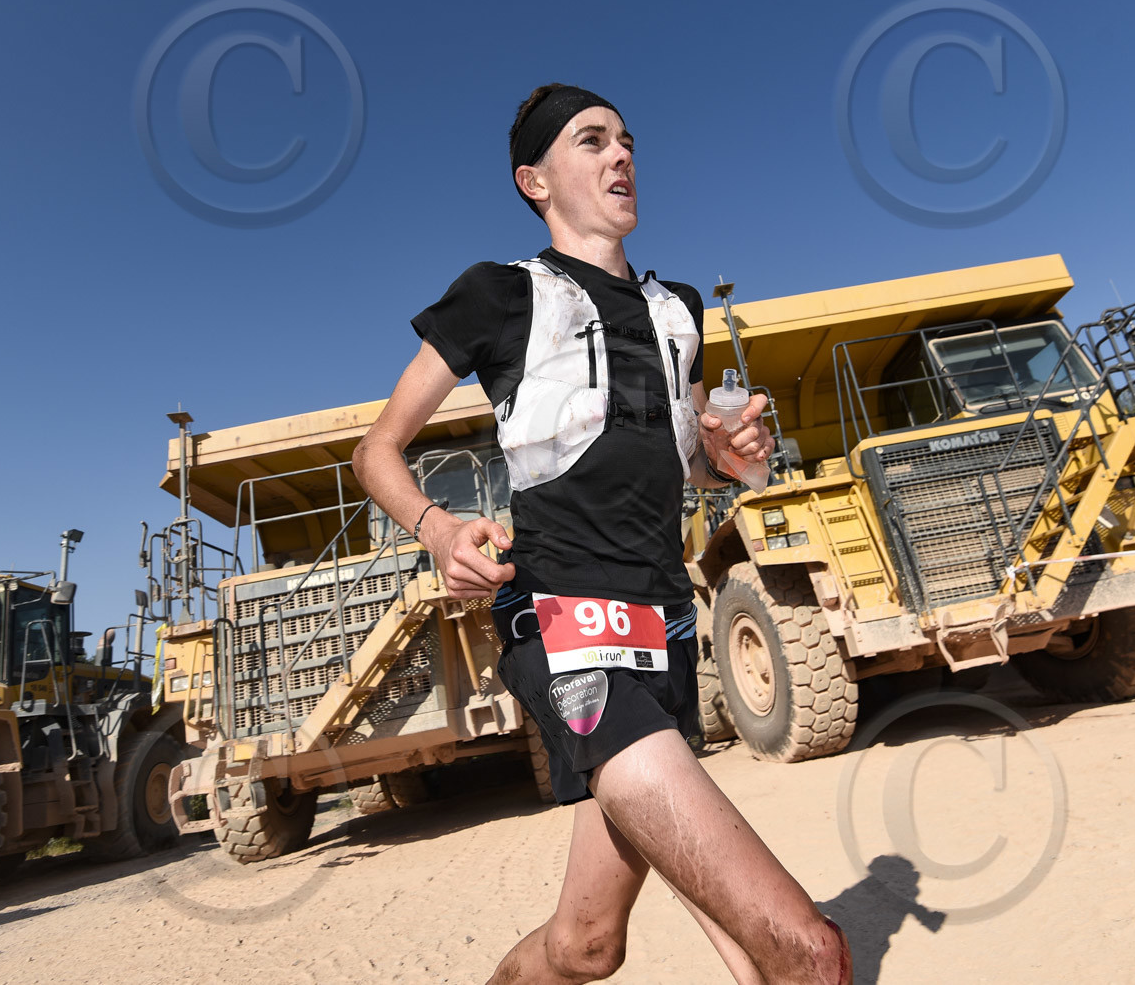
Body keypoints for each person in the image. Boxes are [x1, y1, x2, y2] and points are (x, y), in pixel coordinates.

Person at [352, 83, 852, 984]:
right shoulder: (501, 295)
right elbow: (376, 450)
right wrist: (436, 528)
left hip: (666, 625)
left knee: (588, 946)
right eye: (591, 141)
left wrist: (730, 455)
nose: (621, 154)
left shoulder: (678, 311)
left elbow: (694, 459)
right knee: (806, 952)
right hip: (563, 621)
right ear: (535, 181)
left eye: (626, 140)